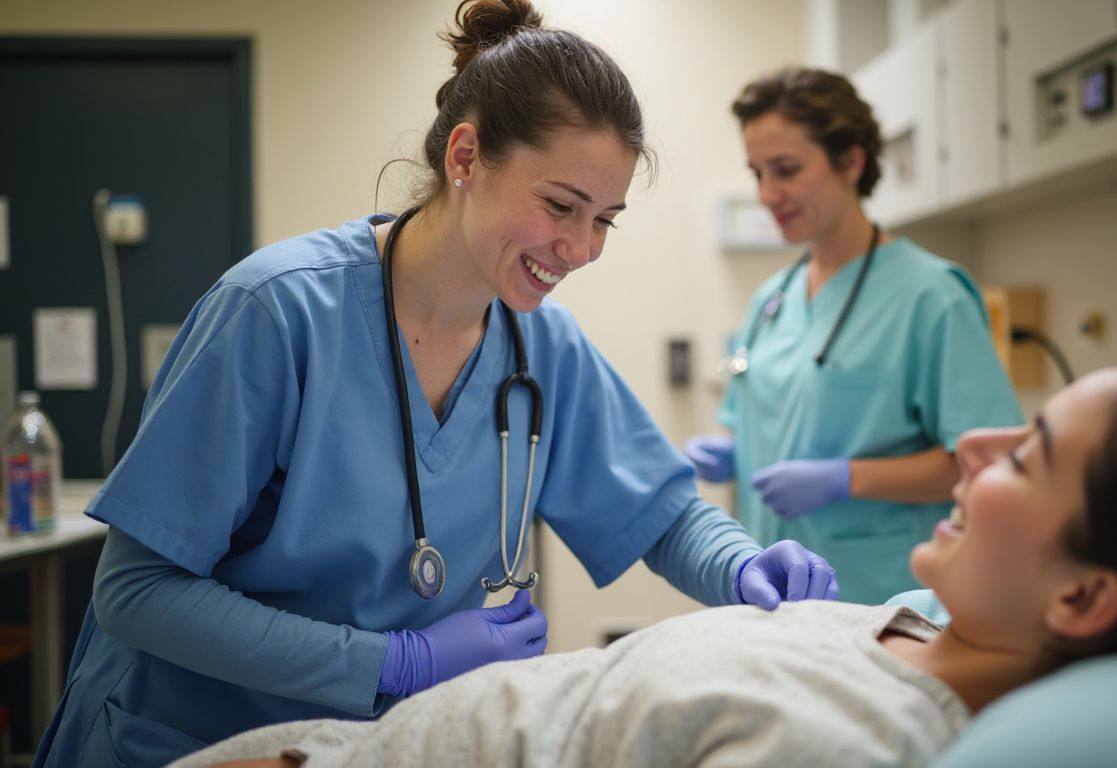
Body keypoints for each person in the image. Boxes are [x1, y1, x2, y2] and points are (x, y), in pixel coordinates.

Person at [34, 3, 840, 766]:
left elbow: (657, 516)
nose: (583, 248)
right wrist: (399, 660)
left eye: (604, 219)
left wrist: (742, 565)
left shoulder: (538, 344)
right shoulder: (277, 314)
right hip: (193, 739)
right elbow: (137, 591)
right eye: (561, 205)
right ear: (464, 157)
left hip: (371, 745)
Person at [170, 340, 1117, 768]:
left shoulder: (845, 743)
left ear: (1088, 594)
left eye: (1032, 454)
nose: (973, 448)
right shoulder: (897, 628)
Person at [685, 67, 1023, 604]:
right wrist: (731, 450)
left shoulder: (932, 296)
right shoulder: (772, 300)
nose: (768, 194)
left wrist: (846, 478)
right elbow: (763, 422)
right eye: (757, 174)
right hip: (768, 594)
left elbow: (987, 461)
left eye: (786, 169)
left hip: (875, 599)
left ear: (850, 161)